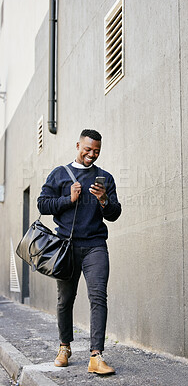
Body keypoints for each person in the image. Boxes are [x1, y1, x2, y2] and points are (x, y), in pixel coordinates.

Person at [37, 129, 121, 375]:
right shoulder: (60, 174)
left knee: (98, 298)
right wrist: (68, 199)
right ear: (78, 145)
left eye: (96, 151)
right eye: (88, 149)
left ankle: (96, 356)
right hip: (67, 246)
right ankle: (64, 347)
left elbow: (114, 214)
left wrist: (104, 200)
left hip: (95, 245)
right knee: (65, 299)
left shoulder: (104, 177)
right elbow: (42, 203)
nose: (91, 154)